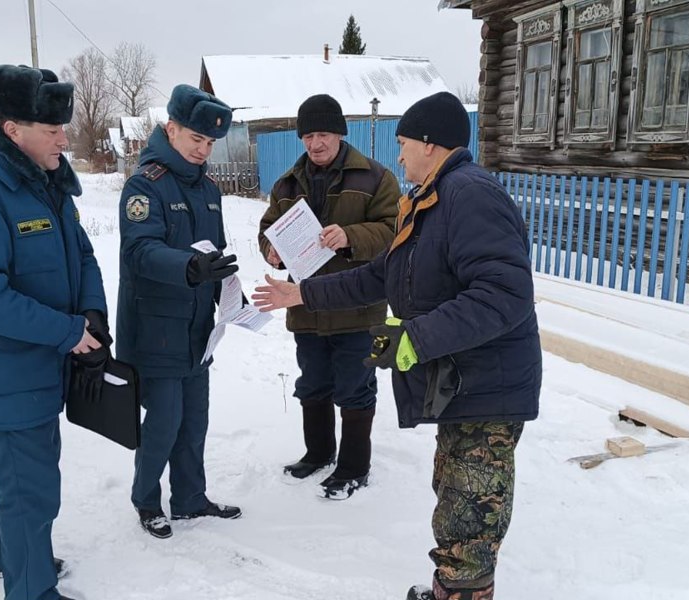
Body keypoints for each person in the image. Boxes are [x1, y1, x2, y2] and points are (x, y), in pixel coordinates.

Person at [253, 91, 541, 600]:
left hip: (486, 384)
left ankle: (461, 592)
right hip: (461, 382)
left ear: (430, 145)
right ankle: (450, 589)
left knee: (471, 511)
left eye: (405, 143)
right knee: (455, 498)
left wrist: (415, 337)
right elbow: (383, 275)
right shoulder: (431, 197)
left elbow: (505, 293)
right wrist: (302, 291)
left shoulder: (468, 194)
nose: (400, 154)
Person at [0, 65, 110, 600]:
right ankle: (32, 589)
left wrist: (94, 315)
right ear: (12, 129)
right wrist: (65, 331)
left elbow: (80, 252)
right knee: (32, 488)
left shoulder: (45, 178)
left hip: (39, 358)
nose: (64, 138)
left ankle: (5, 557)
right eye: (51, 128)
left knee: (19, 475)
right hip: (3, 367)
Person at [258, 94, 399, 499]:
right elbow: (269, 227)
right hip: (305, 306)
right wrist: (269, 248)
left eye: (322, 134)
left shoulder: (375, 177)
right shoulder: (287, 183)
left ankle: (354, 467)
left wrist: (351, 236)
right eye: (308, 136)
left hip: (358, 306)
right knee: (313, 382)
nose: (315, 143)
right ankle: (317, 453)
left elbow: (395, 230)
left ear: (339, 133)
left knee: (355, 386)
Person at [116, 84, 242, 540]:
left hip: (198, 330)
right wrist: (189, 265)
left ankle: (189, 498)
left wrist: (230, 290)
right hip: (156, 332)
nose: (203, 150)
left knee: (194, 421)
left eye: (210, 143)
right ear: (171, 129)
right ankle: (146, 499)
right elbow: (140, 251)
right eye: (196, 140)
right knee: (164, 422)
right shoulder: (144, 185)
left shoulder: (209, 188)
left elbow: (215, 250)